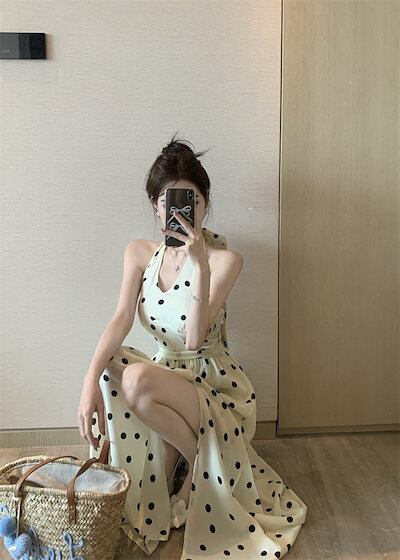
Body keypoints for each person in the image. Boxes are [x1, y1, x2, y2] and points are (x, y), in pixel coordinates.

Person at [77, 134, 308, 558]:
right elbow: (121, 318)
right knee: (109, 367)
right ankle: (202, 458)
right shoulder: (139, 253)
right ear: (156, 206)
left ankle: (194, 466)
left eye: (192, 201)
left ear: (204, 204)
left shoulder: (225, 260)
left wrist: (200, 266)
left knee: (138, 379)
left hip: (213, 384)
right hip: (166, 377)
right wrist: (88, 381)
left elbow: (194, 339)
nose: (182, 211)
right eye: (170, 201)